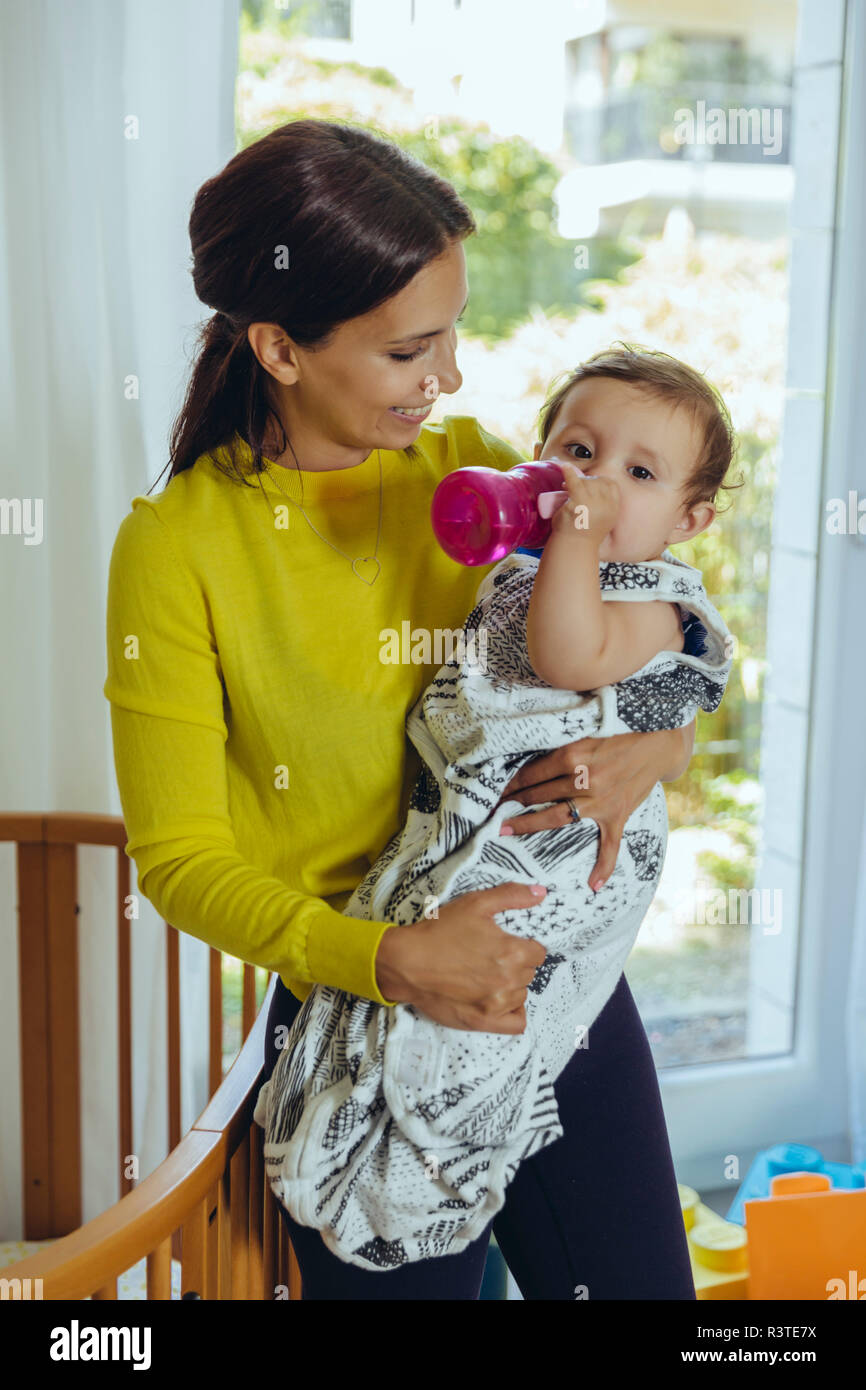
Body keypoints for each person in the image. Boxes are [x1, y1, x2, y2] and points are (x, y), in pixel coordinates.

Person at [103, 119, 700, 1301]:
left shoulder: (483, 477)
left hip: (555, 982)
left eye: (455, 335)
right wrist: (391, 960)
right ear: (277, 345)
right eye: (410, 351)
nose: (451, 381)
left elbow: (651, 634)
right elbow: (177, 860)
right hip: (363, 1017)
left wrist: (657, 744)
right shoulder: (177, 550)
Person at [254, 346, 735, 1272]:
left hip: (554, 868)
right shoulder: (527, 561)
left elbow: (562, 658)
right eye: (579, 450)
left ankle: (440, 1149)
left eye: (639, 474)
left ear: (689, 520)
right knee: (415, 1032)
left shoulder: (652, 601)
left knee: (470, 1052)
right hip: (461, 861)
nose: (596, 481)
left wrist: (579, 539)